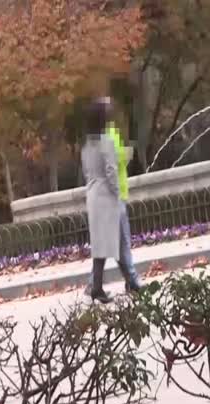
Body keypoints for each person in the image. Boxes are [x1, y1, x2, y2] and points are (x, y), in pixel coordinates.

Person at [81, 98, 120, 303]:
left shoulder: (87, 144)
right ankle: (98, 287)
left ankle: (97, 287)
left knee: (100, 244)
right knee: (105, 242)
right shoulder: (106, 141)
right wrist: (117, 192)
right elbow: (111, 170)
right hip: (104, 194)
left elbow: (87, 171)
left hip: (92, 194)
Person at [105, 103, 143, 293]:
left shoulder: (108, 133)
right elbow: (110, 167)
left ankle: (130, 280)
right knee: (122, 242)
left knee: (118, 243)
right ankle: (132, 280)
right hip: (115, 195)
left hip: (115, 194)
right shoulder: (107, 135)